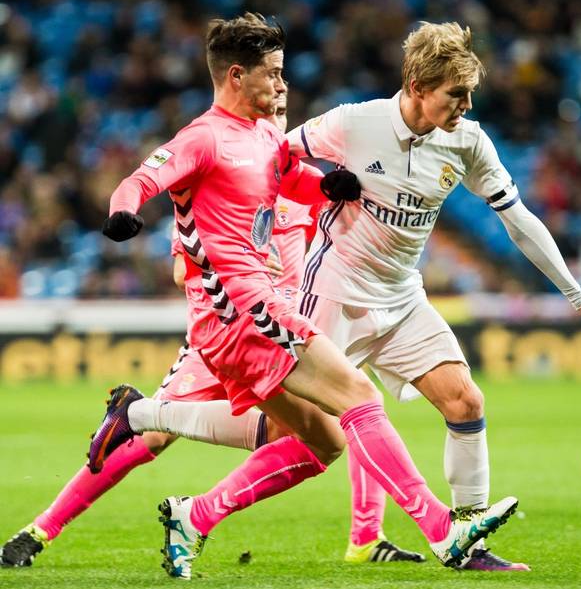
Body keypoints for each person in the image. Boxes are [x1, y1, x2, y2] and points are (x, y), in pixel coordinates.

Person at [87, 13, 517, 579]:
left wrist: (326, 185)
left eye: (284, 73)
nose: (283, 85)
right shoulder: (203, 137)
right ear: (237, 76)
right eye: (273, 74)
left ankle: (170, 475)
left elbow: (285, 181)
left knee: (324, 441)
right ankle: (443, 530)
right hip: (237, 306)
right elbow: (141, 179)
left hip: (262, 304)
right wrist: (122, 213)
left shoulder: (266, 134)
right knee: (360, 396)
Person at [0, 95, 413, 570]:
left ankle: (365, 534)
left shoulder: (301, 193)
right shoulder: (222, 186)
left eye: (280, 116)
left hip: (279, 334)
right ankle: (41, 528)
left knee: (343, 417)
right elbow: (183, 269)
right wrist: (246, 268)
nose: (273, 125)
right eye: (266, 116)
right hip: (223, 331)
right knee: (151, 441)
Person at [286, 21, 581, 570]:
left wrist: (577, 296)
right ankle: (153, 416)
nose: (466, 105)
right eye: (455, 94)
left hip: (400, 298)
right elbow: (273, 160)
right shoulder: (354, 122)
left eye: (470, 94)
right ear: (418, 85)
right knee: (289, 430)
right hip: (333, 291)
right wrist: (312, 191)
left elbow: (518, 221)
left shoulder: (467, 141)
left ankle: (469, 542)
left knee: (465, 401)